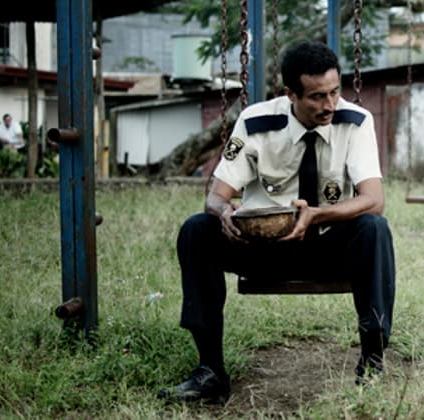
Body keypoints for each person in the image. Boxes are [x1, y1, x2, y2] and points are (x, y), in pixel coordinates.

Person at [158, 41, 395, 403]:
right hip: (261, 249)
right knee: (196, 230)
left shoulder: (356, 122)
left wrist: (317, 214)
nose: (329, 105)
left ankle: (373, 363)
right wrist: (224, 214)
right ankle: (210, 372)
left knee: (374, 228)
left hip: (325, 247)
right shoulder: (256, 122)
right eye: (316, 97)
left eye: (334, 92)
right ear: (290, 94)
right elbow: (216, 195)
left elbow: (373, 200)